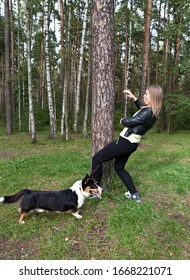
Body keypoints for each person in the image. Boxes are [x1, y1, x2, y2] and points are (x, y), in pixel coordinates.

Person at [91, 84, 163, 202]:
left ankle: (94, 190)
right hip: (131, 144)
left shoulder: (148, 112)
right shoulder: (150, 110)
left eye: (146, 94)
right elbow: (141, 108)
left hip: (124, 142)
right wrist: (134, 98)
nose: (144, 96)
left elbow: (131, 122)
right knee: (119, 168)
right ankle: (134, 195)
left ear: (153, 97)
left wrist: (123, 120)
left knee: (96, 159)